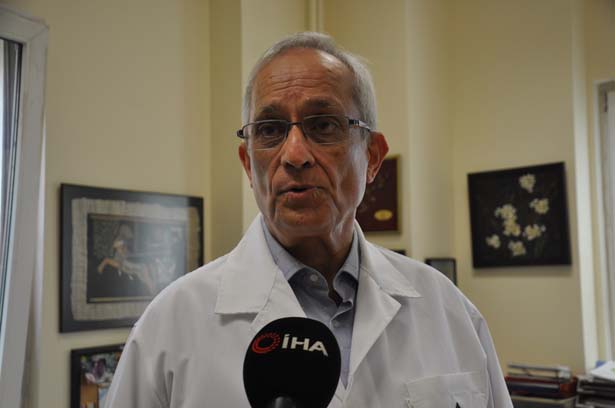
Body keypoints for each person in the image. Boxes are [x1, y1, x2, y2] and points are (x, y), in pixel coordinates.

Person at [104, 32, 513, 408]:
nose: (295, 154)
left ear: (372, 157)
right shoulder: (171, 325)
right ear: (248, 164)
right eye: (270, 130)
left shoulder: (448, 311)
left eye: (323, 125)